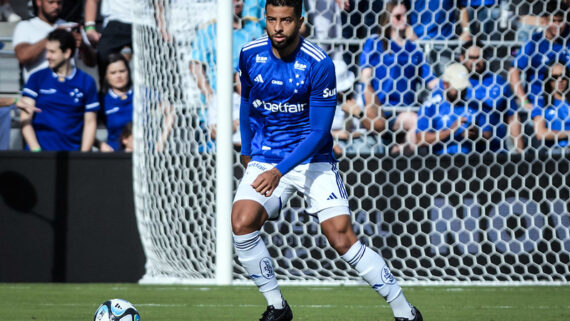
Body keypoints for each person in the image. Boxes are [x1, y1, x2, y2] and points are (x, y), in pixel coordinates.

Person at [233, 1, 423, 321]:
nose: (278, 27)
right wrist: (248, 149)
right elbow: (246, 102)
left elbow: (321, 132)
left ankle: (405, 312)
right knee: (241, 223)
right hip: (268, 157)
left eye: (286, 20)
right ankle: (277, 308)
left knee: (341, 238)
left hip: (314, 160)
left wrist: (280, 172)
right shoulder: (250, 53)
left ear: (300, 21)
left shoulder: (319, 63)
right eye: (272, 20)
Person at [359, 0, 436, 154]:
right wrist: (370, 108)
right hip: (384, 109)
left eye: (406, 16)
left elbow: (431, 81)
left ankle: (397, 155)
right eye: (398, 16)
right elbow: (365, 77)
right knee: (414, 120)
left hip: (406, 107)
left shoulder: (414, 49)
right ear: (388, 18)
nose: (404, 20)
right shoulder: (375, 43)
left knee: (423, 123)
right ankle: (398, 157)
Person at [20, 29, 99, 151]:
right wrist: (37, 151)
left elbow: (90, 122)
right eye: (47, 51)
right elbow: (25, 118)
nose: (47, 56)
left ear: (67, 53)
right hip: (39, 156)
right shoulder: (36, 78)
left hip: (72, 157)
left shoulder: (86, 82)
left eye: (52, 52)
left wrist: (82, 157)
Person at [460, 40, 523, 153]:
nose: (475, 62)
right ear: (462, 58)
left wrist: (520, 151)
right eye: (471, 57)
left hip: (496, 150)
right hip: (463, 151)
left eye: (478, 57)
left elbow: (512, 117)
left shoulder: (498, 82)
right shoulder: (455, 83)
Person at [13, 0, 96, 82]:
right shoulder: (25, 26)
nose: (56, 6)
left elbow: (92, 62)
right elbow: (22, 56)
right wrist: (53, 35)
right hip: (37, 89)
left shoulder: (71, 27)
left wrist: (83, 46)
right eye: (51, 2)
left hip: (68, 89)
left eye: (59, 3)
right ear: (38, 2)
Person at [509, 2, 569, 111]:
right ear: (545, 21)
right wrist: (524, 100)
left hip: (566, 101)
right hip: (539, 101)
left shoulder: (568, 41)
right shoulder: (534, 42)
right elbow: (514, 70)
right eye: (553, 21)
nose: (557, 25)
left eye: (560, 21)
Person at [416, 63, 479, 154]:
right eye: (457, 88)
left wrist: (476, 135)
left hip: (469, 162)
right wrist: (450, 131)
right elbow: (420, 139)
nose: (461, 92)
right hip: (440, 162)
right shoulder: (431, 106)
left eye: (463, 88)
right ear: (445, 84)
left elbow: (488, 136)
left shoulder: (473, 106)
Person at [532, 61, 570, 150]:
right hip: (552, 153)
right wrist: (568, 133)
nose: (559, 80)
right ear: (548, 79)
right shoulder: (541, 101)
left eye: (563, 76)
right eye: (555, 77)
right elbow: (540, 133)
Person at [99, 53, 133, 152]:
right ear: (106, 76)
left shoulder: (142, 94)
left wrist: (160, 142)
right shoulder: (102, 100)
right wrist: (100, 145)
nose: (118, 76)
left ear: (128, 72)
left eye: (122, 71)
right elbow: (85, 123)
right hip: (115, 155)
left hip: (144, 154)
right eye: (113, 73)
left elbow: (170, 112)